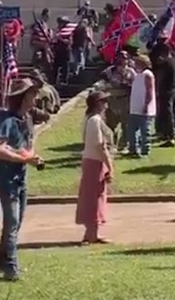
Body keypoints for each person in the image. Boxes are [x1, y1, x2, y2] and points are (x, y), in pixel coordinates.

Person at [0, 78, 44, 281]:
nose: (36, 97)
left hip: (20, 177)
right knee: (12, 223)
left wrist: (32, 156)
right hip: (6, 179)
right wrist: (24, 157)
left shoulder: (26, 119)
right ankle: (11, 268)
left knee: (16, 222)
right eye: (32, 93)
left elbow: (25, 146)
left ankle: (4, 261)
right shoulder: (7, 120)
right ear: (23, 97)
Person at [76, 91, 114, 244]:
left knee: (92, 196)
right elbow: (100, 145)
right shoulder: (95, 120)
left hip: (90, 160)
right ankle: (92, 233)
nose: (106, 105)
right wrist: (109, 165)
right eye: (103, 102)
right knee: (95, 197)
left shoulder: (89, 120)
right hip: (95, 161)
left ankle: (91, 232)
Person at [102, 51, 136, 151]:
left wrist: (125, 85)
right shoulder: (111, 70)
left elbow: (134, 85)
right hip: (112, 99)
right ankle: (111, 143)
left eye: (124, 58)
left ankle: (124, 144)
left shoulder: (131, 72)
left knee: (125, 124)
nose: (121, 60)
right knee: (110, 124)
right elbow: (103, 77)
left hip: (124, 99)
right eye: (119, 57)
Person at [127, 55, 156, 158]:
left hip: (144, 108)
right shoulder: (136, 75)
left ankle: (145, 151)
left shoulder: (147, 74)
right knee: (132, 130)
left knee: (145, 131)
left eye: (137, 62)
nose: (135, 64)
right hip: (134, 107)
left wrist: (147, 105)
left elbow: (149, 91)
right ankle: (133, 149)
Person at [152, 43, 175, 147]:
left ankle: (170, 136)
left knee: (168, 114)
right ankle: (167, 133)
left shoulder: (167, 63)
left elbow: (161, 77)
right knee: (171, 112)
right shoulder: (174, 62)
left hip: (167, 90)